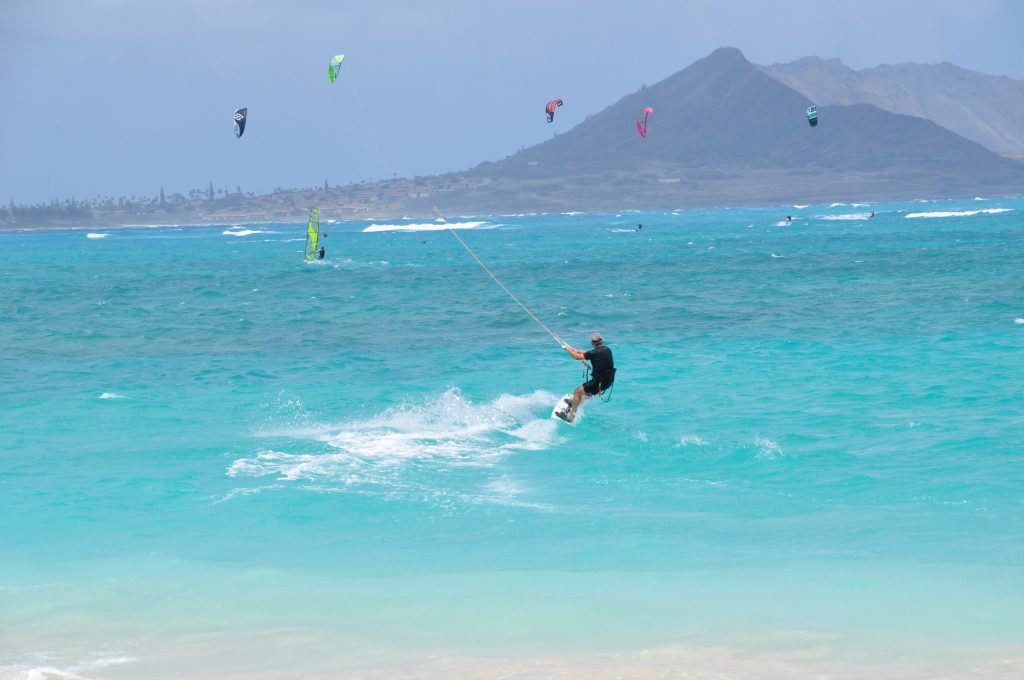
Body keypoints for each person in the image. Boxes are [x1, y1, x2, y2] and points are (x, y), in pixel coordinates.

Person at [559, 332, 615, 422]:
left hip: (599, 383)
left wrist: (568, 349)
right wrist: (576, 350)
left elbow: (577, 357)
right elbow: (588, 353)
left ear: (592, 343)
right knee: (587, 393)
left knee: (577, 392)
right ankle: (576, 403)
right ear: (602, 341)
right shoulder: (607, 350)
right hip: (608, 381)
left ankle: (571, 416)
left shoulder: (593, 353)